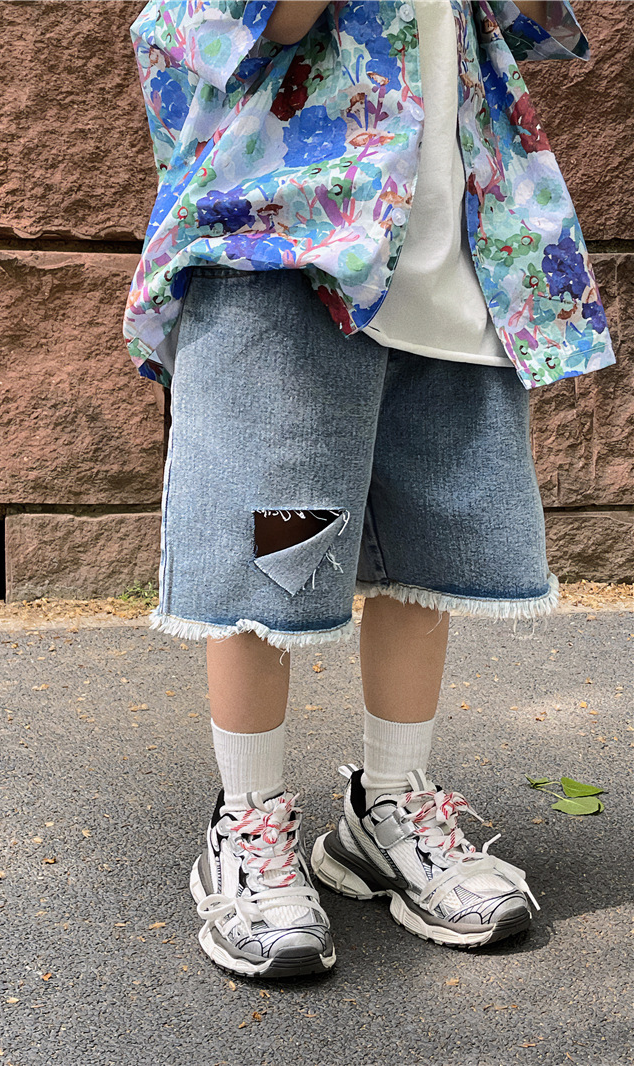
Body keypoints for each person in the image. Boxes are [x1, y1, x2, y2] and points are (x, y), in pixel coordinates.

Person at [123, 0, 615, 977]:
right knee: (275, 548)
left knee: (428, 549)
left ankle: (387, 808)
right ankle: (247, 824)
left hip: (451, 255)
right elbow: (255, 24)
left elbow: (528, 24)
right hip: (292, 247)